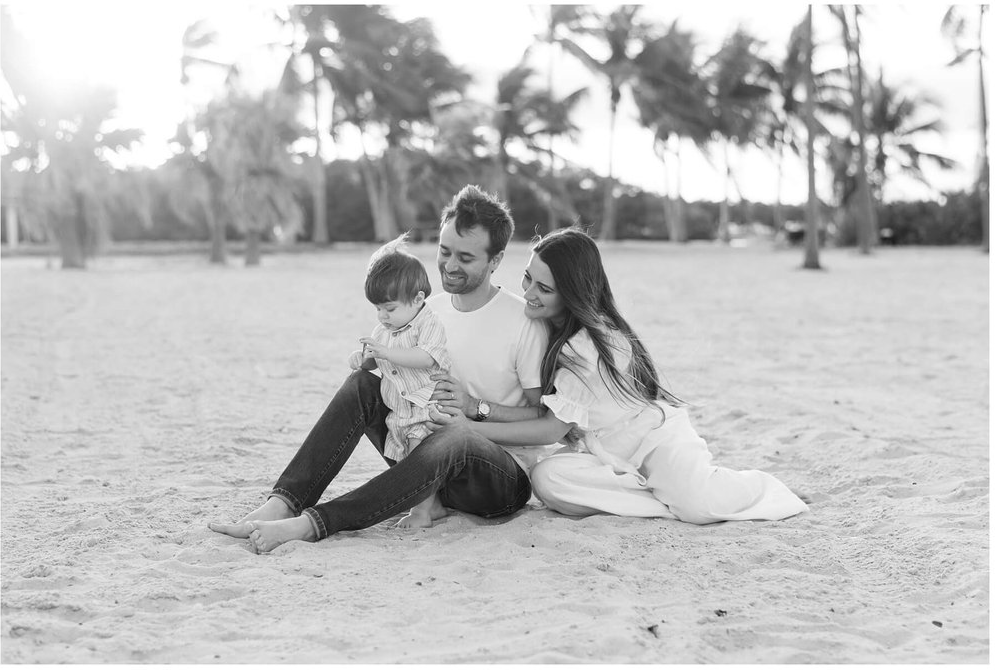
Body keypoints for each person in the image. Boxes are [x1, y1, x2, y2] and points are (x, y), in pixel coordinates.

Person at [208, 185, 550, 553]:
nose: (450, 265)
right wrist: (373, 360)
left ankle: (313, 524)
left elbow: (545, 422)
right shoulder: (424, 311)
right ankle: (283, 504)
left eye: (465, 258)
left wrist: (476, 413)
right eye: (444, 251)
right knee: (362, 385)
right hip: (423, 463)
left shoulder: (522, 321)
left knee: (456, 437)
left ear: (496, 259)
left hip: (497, 480)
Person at [430, 227, 809, 524]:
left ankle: (743, 490)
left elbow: (549, 430)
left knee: (698, 505)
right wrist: (475, 406)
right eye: (527, 278)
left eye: (544, 288)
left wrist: (469, 428)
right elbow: (545, 417)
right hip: (602, 453)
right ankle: (660, 499)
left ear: (572, 293)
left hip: (654, 440)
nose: (528, 292)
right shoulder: (544, 328)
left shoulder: (591, 343)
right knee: (548, 479)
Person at [351, 234, 452, 528]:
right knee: (404, 459)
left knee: (418, 456)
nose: (382, 316)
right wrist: (364, 359)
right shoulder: (384, 331)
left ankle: (423, 511)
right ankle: (429, 506)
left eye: (390, 309)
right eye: (378, 309)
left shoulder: (428, 322)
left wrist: (388, 352)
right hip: (400, 412)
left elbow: (426, 357)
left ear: (418, 299)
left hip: (426, 407)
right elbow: (376, 359)